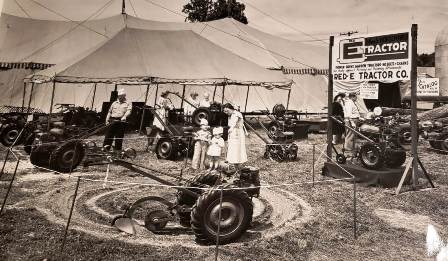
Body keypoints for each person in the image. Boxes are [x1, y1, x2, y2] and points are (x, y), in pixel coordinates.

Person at [223, 103, 247, 167]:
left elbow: (234, 122)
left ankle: (237, 163)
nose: (226, 112)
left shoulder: (237, 114)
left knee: (237, 148)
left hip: (237, 132)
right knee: (232, 147)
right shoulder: (230, 115)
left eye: (227, 111)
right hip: (233, 132)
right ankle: (233, 162)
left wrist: (231, 128)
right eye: (225, 111)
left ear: (231, 109)